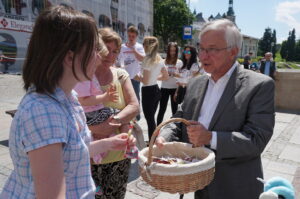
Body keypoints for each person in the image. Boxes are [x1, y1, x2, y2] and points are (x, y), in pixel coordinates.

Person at [0, 6, 135, 198]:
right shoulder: (44, 111)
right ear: (69, 56)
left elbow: (74, 151)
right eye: (93, 49)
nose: (99, 57)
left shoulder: (68, 98)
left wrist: (109, 143)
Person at [156, 19, 275, 199]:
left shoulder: (259, 85)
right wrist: (164, 136)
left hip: (235, 187)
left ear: (233, 51)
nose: (203, 56)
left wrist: (211, 138)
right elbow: (179, 118)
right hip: (199, 184)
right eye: (201, 48)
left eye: (212, 49)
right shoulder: (196, 82)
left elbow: (257, 140)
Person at [88, 27, 139, 199]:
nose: (110, 55)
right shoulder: (83, 77)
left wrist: (111, 123)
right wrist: (94, 130)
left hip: (118, 156)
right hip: (89, 157)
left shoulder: (121, 75)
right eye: (106, 50)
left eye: (115, 51)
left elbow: (134, 106)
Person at [134, 36, 169, 140]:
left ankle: (152, 143)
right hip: (156, 89)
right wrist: (154, 77)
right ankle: (154, 141)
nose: (143, 47)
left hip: (148, 91)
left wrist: (136, 77)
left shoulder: (147, 60)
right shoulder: (159, 59)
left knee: (150, 120)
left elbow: (145, 81)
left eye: (143, 44)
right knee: (151, 119)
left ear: (146, 46)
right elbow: (166, 76)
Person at [118, 26, 145, 120]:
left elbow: (142, 58)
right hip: (123, 76)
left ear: (136, 36)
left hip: (134, 76)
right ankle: (127, 116)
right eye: (129, 36)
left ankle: (137, 116)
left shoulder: (139, 46)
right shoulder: (122, 47)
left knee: (136, 97)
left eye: (133, 36)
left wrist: (134, 50)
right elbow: (119, 59)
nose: (131, 38)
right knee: (124, 97)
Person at [157, 42, 183, 125]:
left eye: (174, 51)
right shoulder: (162, 61)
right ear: (168, 51)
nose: (172, 53)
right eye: (171, 51)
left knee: (175, 110)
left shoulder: (179, 62)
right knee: (162, 109)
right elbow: (158, 75)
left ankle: (175, 129)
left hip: (175, 89)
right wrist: (164, 75)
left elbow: (182, 77)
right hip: (164, 88)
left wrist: (176, 74)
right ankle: (158, 128)